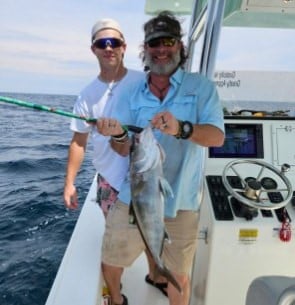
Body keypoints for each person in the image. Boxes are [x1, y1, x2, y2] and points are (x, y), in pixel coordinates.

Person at [97, 11, 225, 305]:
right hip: (134, 196)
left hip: (181, 199)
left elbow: (217, 137)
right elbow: (124, 147)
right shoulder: (131, 91)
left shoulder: (201, 88)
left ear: (180, 46)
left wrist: (182, 128)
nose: (161, 49)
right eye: (154, 43)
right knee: (110, 261)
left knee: (178, 274)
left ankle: (160, 272)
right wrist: (117, 136)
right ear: (146, 49)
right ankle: (117, 301)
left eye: (168, 41)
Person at [63, 18, 144, 214]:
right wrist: (69, 183)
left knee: (151, 238)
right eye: (102, 43)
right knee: (117, 241)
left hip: (147, 178)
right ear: (94, 49)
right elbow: (79, 141)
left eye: (114, 43)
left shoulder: (145, 82)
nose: (109, 48)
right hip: (110, 181)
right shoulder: (87, 95)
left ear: (123, 47)